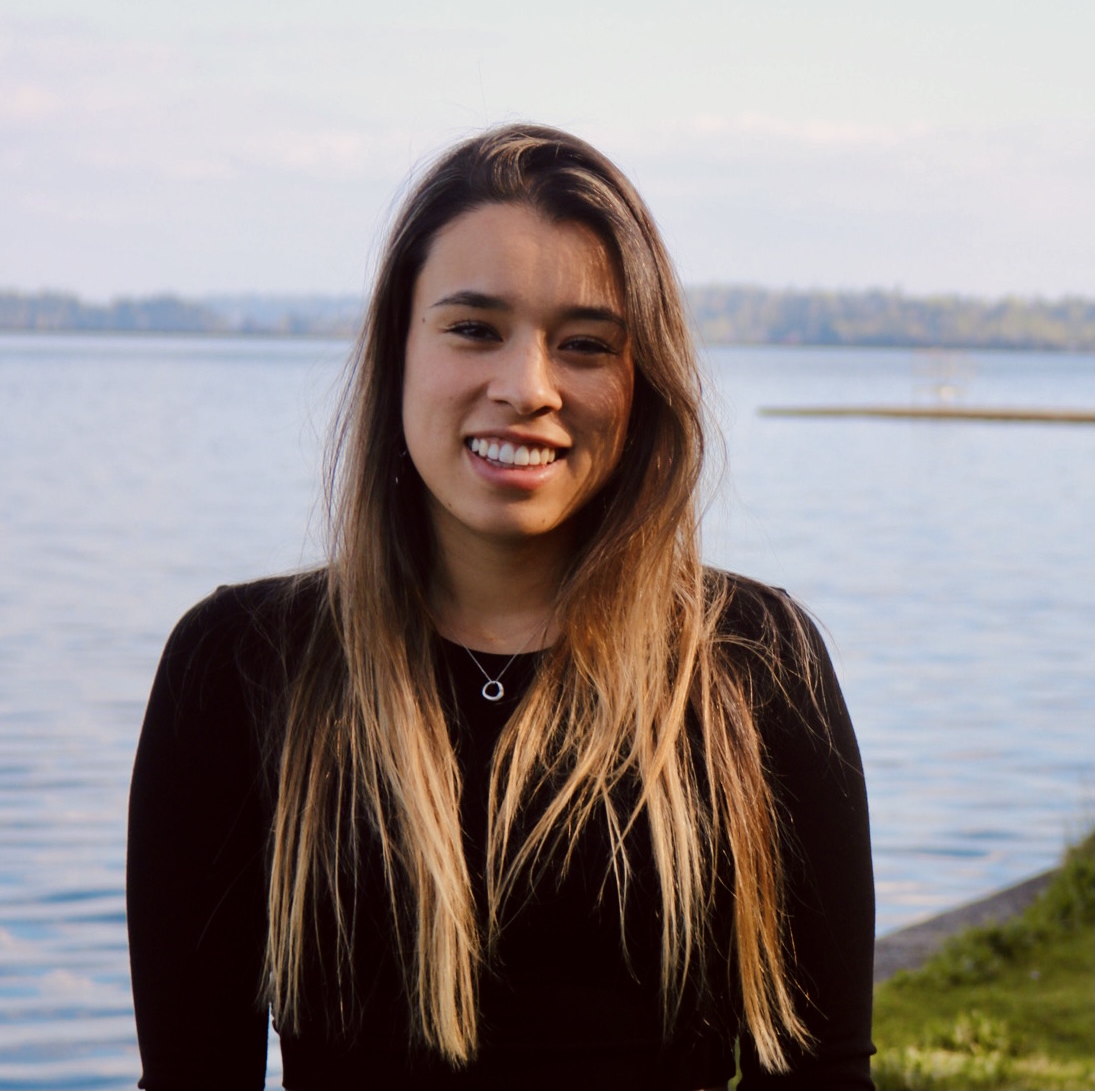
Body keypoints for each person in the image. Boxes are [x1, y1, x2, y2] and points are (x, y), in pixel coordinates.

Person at [127, 125, 875, 1090]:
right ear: (397, 352)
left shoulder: (748, 664)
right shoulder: (239, 665)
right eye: (474, 328)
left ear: (640, 382)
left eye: (585, 344)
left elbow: (820, 1075)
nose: (525, 387)